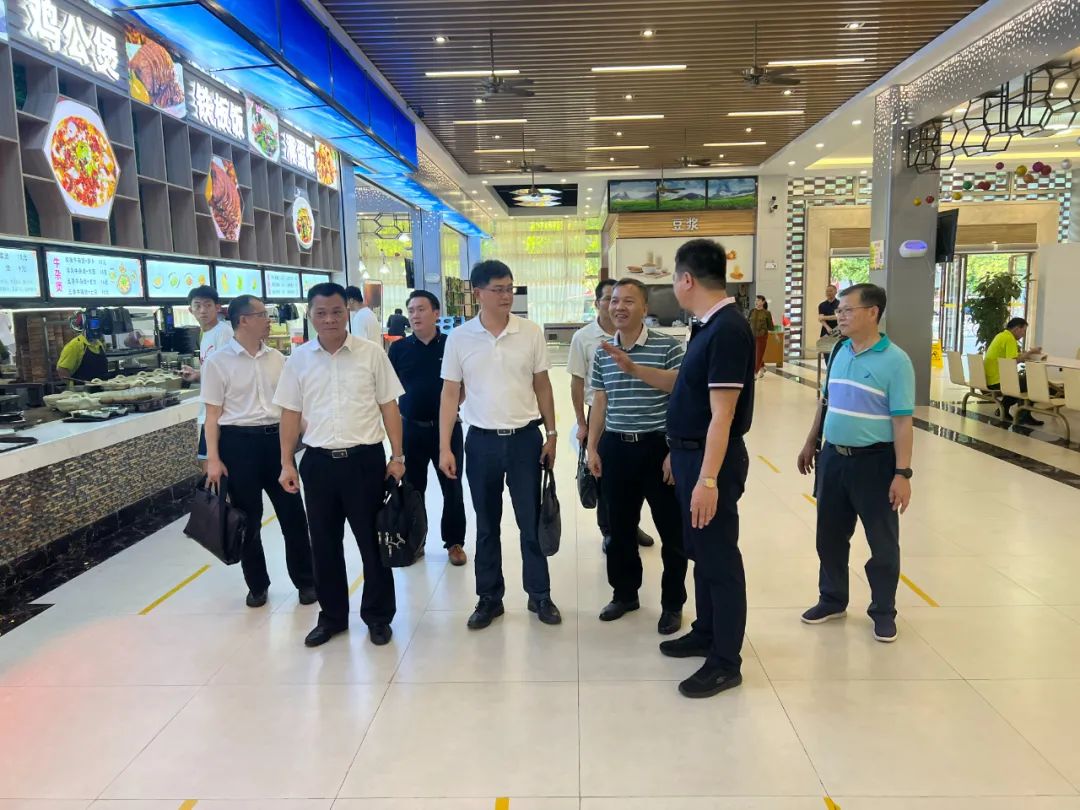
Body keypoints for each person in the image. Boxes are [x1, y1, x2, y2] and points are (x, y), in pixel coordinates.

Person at [275, 282, 405, 648]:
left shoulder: (371, 353)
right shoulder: (298, 360)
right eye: (321, 313)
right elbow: (290, 413)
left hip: (364, 462)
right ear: (310, 315)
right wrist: (286, 462)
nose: (329, 319)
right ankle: (332, 617)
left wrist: (397, 456)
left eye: (336, 311)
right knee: (324, 545)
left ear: (347, 312)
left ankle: (378, 617)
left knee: (372, 544)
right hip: (318, 464)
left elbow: (389, 407)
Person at [439, 260, 562, 630]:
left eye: (510, 288)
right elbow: (449, 394)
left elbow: (542, 385)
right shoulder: (460, 337)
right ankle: (489, 598)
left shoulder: (530, 332)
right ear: (478, 292)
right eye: (498, 290)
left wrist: (552, 433)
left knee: (530, 522)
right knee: (487, 525)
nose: (507, 295)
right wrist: (445, 446)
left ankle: (539, 595)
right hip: (481, 443)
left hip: (525, 440)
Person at [660, 238, 755, 699]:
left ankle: (725, 661)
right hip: (689, 455)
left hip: (709, 460)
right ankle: (706, 631)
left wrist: (708, 479)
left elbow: (723, 415)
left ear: (687, 279)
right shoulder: (707, 325)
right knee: (700, 551)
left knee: (719, 559)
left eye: (673, 278)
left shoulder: (728, 330)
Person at [796, 283, 914, 645]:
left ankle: (883, 611)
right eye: (839, 310)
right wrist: (812, 441)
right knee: (829, 536)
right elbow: (826, 401)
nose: (840, 316)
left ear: (872, 312)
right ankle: (832, 599)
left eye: (847, 310)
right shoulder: (839, 350)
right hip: (834, 458)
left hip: (874, 463)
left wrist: (902, 473)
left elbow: (902, 422)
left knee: (882, 542)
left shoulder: (896, 361)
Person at [201, 295, 316, 609]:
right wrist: (213, 459)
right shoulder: (218, 362)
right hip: (238, 446)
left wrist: (311, 436)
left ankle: (306, 581)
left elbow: (290, 407)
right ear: (244, 320)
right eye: (263, 315)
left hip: (276, 444)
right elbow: (211, 416)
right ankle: (257, 585)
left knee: (294, 516)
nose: (269, 320)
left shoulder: (277, 358)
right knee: (247, 520)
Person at [586, 278, 686, 635]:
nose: (619, 307)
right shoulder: (603, 351)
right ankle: (625, 594)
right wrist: (592, 446)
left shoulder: (668, 346)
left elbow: (679, 391)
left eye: (628, 301)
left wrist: (674, 451)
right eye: (614, 300)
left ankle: (672, 603)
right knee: (619, 529)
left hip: (658, 447)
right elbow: (600, 400)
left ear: (645, 307)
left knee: (672, 532)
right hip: (616, 447)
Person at [568, 279, 654, 552]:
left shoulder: (635, 333)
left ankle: (630, 525)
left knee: (634, 480)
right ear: (597, 303)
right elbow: (577, 383)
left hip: (635, 414)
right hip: (600, 413)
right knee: (604, 478)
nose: (614, 305)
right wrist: (582, 423)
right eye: (609, 299)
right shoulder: (584, 338)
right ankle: (609, 531)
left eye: (621, 299)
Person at [387, 290, 468, 566]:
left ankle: (454, 542)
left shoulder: (451, 345)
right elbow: (389, 391)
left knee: (452, 487)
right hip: (411, 429)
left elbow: (463, 385)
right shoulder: (399, 349)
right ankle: (416, 541)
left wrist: (452, 408)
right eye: (411, 310)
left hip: (447, 429)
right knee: (413, 488)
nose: (415, 315)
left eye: (421, 309)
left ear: (436, 313)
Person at [181, 286, 233, 464]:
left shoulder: (223, 332)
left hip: (220, 414)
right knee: (211, 466)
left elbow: (227, 373)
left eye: (208, 305)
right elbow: (214, 371)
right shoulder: (206, 334)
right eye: (197, 306)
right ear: (190, 310)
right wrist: (197, 375)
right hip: (211, 412)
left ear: (217, 307)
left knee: (211, 466)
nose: (202, 310)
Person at [983, 317, 1045, 426]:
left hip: (989, 379)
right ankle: (1024, 415)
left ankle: (1003, 409)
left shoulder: (1001, 336)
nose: (1023, 334)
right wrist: (1031, 352)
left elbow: (1008, 358)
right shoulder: (1010, 339)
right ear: (1016, 329)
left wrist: (1025, 354)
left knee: (1022, 381)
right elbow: (1012, 361)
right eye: (1023, 331)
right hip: (998, 381)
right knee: (1032, 381)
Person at [749, 295, 775, 380]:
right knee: (754, 354)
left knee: (758, 355)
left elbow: (771, 327)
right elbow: (747, 322)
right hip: (752, 336)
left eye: (759, 300)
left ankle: (755, 373)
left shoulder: (767, 313)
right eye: (756, 300)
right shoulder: (752, 311)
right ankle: (762, 367)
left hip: (762, 337)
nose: (756, 302)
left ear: (763, 302)